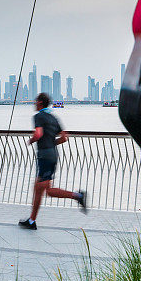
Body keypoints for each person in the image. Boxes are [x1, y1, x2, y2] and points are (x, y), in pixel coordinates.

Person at [19, 92, 86, 229]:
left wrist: (31, 140)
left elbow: (38, 134)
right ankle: (32, 221)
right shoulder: (54, 118)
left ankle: (78, 196)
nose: (34, 103)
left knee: (39, 188)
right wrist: (51, 143)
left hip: (44, 156)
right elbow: (64, 138)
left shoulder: (39, 116)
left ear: (40, 103)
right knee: (45, 190)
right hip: (53, 155)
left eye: (36, 101)